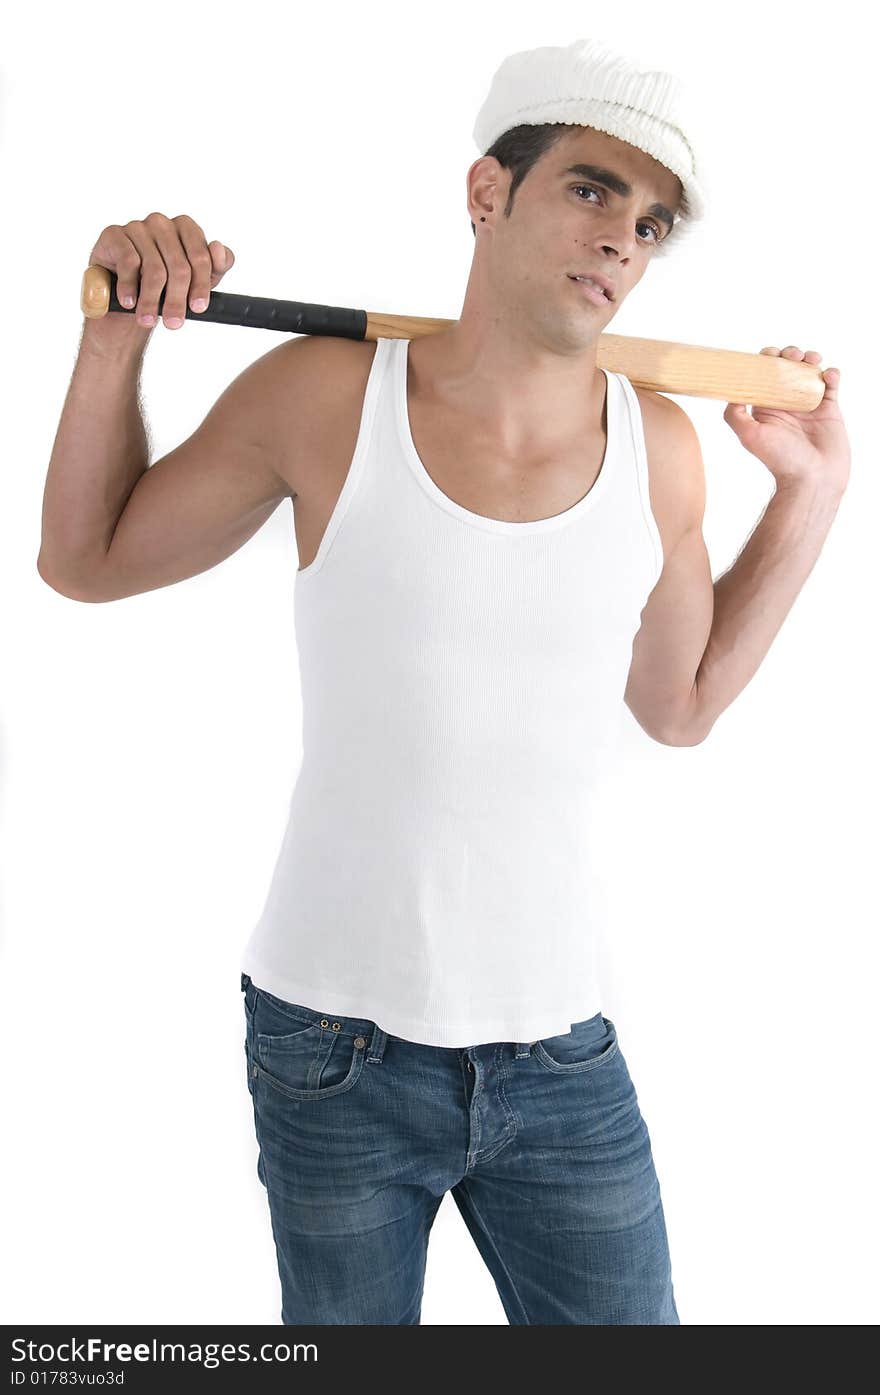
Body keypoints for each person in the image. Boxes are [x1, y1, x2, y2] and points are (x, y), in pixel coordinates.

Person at [38, 37, 849, 1325]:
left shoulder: (666, 449)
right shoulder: (321, 398)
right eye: (590, 189)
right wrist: (115, 342)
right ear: (488, 192)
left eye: (649, 223)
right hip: (328, 1048)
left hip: (564, 1049)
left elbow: (679, 705)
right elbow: (86, 562)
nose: (622, 241)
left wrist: (813, 497)